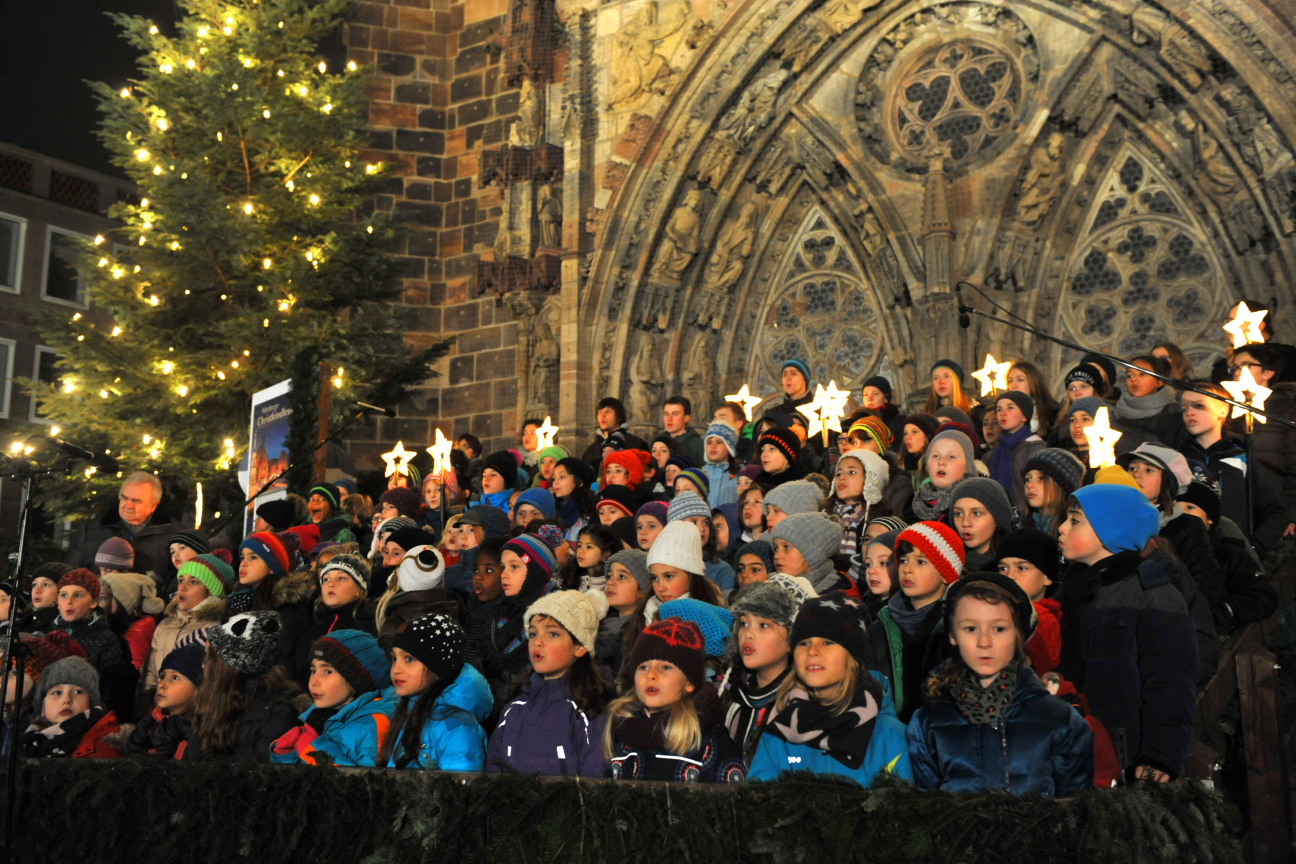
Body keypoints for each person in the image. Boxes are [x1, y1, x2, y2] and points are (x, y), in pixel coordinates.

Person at [1056, 484, 1197, 782]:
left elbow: (1170, 682)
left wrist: (1160, 755)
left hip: (1128, 758)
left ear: (1111, 530)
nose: (1061, 528)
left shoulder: (1153, 595)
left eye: (1075, 520)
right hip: (1077, 753)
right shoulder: (1074, 590)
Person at [907, 572, 1092, 794]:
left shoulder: (1060, 719)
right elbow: (925, 812)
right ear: (952, 635)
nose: (984, 642)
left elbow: (1074, 809)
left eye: (999, 629)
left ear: (1018, 635)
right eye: (970, 628)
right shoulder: (928, 722)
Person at [749, 594, 912, 785]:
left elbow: (900, 808)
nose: (812, 651)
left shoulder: (887, 735)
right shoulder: (780, 733)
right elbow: (754, 803)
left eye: (827, 642)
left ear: (853, 655)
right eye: (804, 643)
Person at [485, 591, 614, 776]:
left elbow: (595, 787)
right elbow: (492, 775)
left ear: (580, 647)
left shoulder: (591, 712)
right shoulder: (514, 708)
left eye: (552, 633)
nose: (537, 642)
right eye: (532, 634)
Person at [603, 619, 746, 783]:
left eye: (665, 667)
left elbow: (731, 803)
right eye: (643, 667)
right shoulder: (621, 729)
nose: (651, 675)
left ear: (689, 683)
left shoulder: (707, 741)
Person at [868, 521, 965, 722]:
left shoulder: (956, 626)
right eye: (903, 560)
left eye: (921, 562)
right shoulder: (881, 626)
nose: (908, 570)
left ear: (946, 574)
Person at [1177, 383, 1290, 555]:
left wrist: (1254, 548)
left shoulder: (1241, 459)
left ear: (1223, 410)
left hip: (1231, 556)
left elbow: (1276, 511)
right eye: (1184, 408)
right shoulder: (1177, 460)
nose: (1189, 413)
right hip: (1185, 554)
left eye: (1199, 405)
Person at [181, 611, 302, 762]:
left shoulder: (277, 716)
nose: (204, 665)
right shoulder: (214, 708)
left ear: (227, 667)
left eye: (209, 657)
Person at [378, 613, 492, 771]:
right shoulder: (405, 713)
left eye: (409, 659)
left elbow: (459, 790)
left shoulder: (457, 727)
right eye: (394, 659)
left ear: (437, 667)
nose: (396, 670)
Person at [717, 576, 809, 765]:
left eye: (764, 625)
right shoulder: (730, 697)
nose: (748, 634)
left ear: (792, 639)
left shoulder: (803, 706)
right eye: (743, 623)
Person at [271, 630, 394, 766]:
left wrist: (314, 749)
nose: (314, 681)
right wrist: (286, 755)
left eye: (327, 672)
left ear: (356, 680)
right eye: (313, 671)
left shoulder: (374, 724)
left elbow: (366, 784)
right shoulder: (314, 717)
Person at [1226, 343, 1296, 527]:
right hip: (1238, 506)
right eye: (1235, 367)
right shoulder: (1227, 410)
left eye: (1247, 365)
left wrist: (1290, 514)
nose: (1238, 371)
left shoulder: (1287, 411)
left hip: (1274, 507)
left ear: (1267, 373)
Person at [65, 471, 176, 584]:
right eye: (124, 498)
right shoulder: (90, 531)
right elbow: (72, 576)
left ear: (153, 505)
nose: (128, 506)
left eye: (136, 501)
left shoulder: (174, 534)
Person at [21, 657, 123, 759]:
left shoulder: (106, 745)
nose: (67, 700)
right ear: (42, 707)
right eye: (57, 693)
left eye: (77, 692)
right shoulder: (28, 742)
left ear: (92, 703)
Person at [995, 528, 1062, 676]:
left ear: (1047, 577)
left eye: (1022, 568)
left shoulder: (1045, 621)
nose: (1010, 576)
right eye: (1003, 568)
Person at [126, 641, 203, 758]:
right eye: (162, 676)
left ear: (198, 688)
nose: (161, 684)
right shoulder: (147, 727)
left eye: (175, 677)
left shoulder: (201, 734)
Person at [987, 392, 1044, 513]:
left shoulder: (1036, 449)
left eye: (1010, 407)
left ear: (1024, 416)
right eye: (999, 409)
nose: (1002, 413)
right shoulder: (993, 454)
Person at [581, 397, 650, 470]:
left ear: (619, 417)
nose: (603, 416)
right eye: (600, 412)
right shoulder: (590, 451)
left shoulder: (636, 444)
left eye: (607, 412)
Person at [662, 396, 704, 467]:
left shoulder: (698, 445)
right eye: (666, 414)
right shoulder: (659, 442)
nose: (669, 419)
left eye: (675, 414)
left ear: (686, 418)